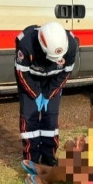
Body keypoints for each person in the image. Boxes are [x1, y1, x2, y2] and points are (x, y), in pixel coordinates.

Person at [15, 22, 77, 167]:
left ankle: (49, 155)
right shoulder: (26, 43)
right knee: (30, 118)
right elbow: (21, 73)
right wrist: (35, 94)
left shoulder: (71, 44)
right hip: (30, 79)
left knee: (51, 117)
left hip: (53, 81)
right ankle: (32, 158)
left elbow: (65, 72)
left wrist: (49, 93)